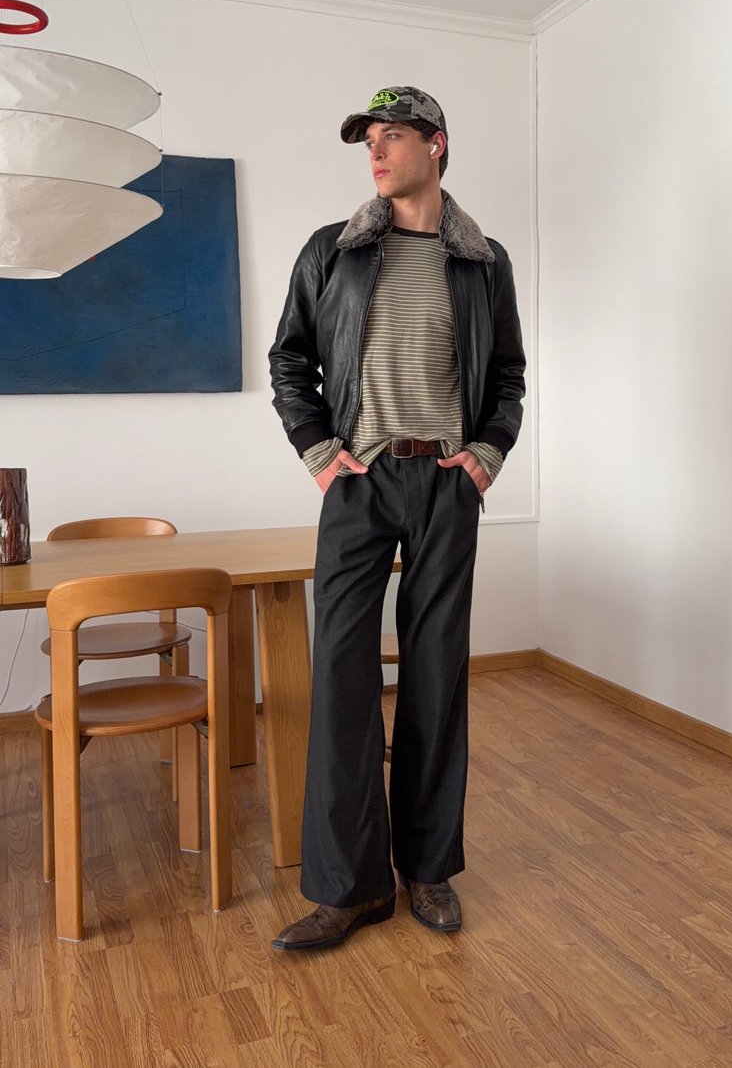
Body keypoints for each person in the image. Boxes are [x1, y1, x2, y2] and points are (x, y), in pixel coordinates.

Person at [269, 86, 525, 950]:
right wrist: (317, 450)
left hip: (445, 482)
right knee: (340, 675)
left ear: (437, 145)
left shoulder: (483, 260)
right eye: (368, 141)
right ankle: (347, 887)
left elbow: (509, 378)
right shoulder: (331, 253)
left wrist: (484, 458)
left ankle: (429, 870)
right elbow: (290, 360)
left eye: (393, 136)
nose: (376, 153)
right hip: (360, 481)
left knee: (436, 674)